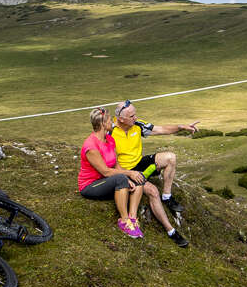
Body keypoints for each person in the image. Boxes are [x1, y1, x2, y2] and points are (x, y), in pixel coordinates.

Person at [78, 106, 184, 242]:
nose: (113, 122)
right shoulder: (91, 146)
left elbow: (115, 163)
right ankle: (124, 221)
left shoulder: (109, 140)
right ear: (102, 124)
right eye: (110, 120)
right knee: (122, 179)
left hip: (107, 179)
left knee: (136, 179)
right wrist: (128, 174)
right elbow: (105, 171)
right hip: (91, 185)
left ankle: (133, 220)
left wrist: (131, 175)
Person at [111, 99, 194, 243]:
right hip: (126, 171)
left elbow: (160, 129)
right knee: (153, 191)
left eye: (135, 114)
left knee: (170, 158)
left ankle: (167, 196)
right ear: (121, 119)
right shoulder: (110, 131)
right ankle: (171, 231)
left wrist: (181, 127)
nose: (135, 118)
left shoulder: (137, 125)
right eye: (132, 116)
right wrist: (127, 174)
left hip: (139, 163)